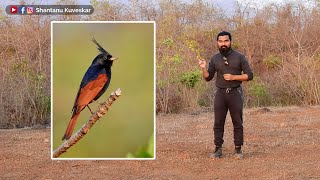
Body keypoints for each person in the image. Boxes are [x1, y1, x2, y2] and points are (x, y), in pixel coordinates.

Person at [198, 31, 253, 159]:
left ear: (230, 42)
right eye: (221, 41)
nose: (223, 44)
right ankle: (218, 149)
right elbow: (208, 77)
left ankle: (238, 149)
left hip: (235, 92)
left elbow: (249, 75)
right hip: (220, 93)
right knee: (218, 122)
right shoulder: (215, 58)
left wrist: (234, 77)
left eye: (226, 41)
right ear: (217, 42)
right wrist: (203, 68)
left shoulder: (239, 57)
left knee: (237, 122)